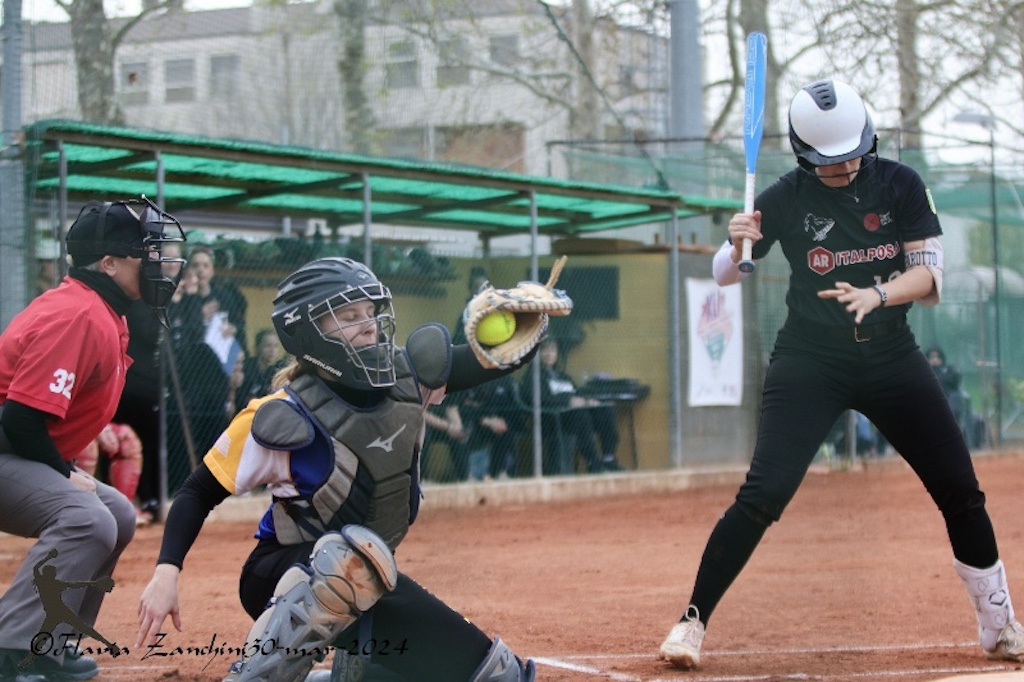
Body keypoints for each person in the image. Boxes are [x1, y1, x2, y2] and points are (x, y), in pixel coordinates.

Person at [658, 78, 1024, 670]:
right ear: (804, 155)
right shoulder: (784, 197)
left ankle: (998, 623)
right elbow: (730, 275)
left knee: (960, 489)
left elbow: (929, 279)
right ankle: (691, 622)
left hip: (889, 354)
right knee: (764, 494)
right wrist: (735, 244)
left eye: (854, 152)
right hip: (810, 360)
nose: (847, 166)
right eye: (830, 161)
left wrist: (878, 294)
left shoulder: (900, 184)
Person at [136, 257, 539, 682]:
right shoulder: (283, 414)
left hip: (368, 580)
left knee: (494, 675)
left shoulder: (406, 381)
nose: (368, 325)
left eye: (370, 313)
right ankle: (258, 673)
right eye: (349, 317)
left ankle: (358, 666)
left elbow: (487, 359)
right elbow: (197, 492)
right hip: (286, 575)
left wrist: (525, 322)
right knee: (346, 560)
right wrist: (166, 572)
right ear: (309, 332)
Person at [0, 196, 185, 681]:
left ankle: (50, 647)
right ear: (108, 263)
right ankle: (10, 649)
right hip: (7, 445)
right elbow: (18, 419)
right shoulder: (78, 314)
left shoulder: (103, 308)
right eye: (145, 254)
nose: (158, 262)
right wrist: (66, 474)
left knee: (119, 514)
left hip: (14, 452)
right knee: (87, 517)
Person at [526, 337, 620, 474]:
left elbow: (577, 393)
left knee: (605, 410)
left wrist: (589, 401)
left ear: (557, 354)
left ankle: (608, 459)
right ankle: (593, 462)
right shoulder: (533, 377)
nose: (548, 353)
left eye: (552, 349)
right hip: (552, 420)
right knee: (580, 414)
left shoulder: (564, 377)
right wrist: (567, 401)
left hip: (574, 417)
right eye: (544, 350)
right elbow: (538, 399)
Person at [233, 328, 288, 412]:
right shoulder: (246, 367)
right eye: (268, 345)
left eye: (276, 346)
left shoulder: (274, 371)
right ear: (257, 347)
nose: (272, 350)